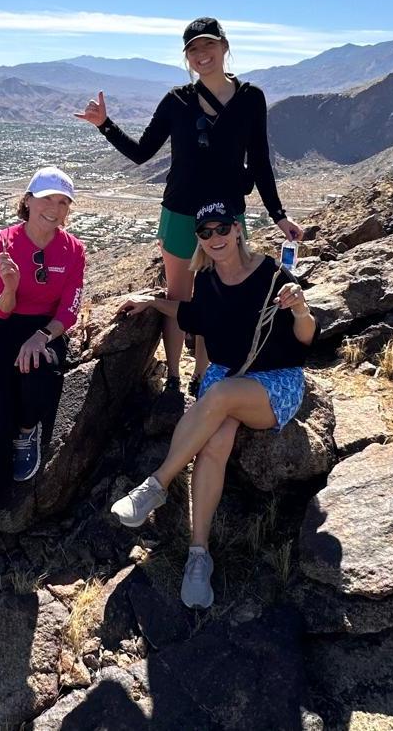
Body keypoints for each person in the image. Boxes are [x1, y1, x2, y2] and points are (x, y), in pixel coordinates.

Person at [75, 17, 303, 396]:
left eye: (208, 46)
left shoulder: (250, 98)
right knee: (180, 296)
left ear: (224, 47)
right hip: (181, 212)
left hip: (226, 216)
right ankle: (173, 380)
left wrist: (278, 215)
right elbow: (141, 153)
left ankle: (203, 376)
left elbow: (260, 160)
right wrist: (105, 125)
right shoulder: (176, 101)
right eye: (193, 49)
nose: (202, 55)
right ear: (186, 57)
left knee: (218, 297)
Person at [109, 202, 317, 609]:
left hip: (275, 380)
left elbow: (306, 337)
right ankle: (198, 555)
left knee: (217, 394)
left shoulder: (270, 272)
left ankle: (157, 485)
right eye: (205, 232)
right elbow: (193, 316)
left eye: (222, 228)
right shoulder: (205, 278)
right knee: (215, 440)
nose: (215, 237)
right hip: (229, 374)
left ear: (238, 229)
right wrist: (152, 302)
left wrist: (301, 308)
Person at [0, 167, 86, 573]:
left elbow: (70, 309)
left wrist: (43, 337)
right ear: (28, 200)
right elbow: (1, 308)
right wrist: (11, 287)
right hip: (2, 329)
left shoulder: (74, 250)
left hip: (45, 331)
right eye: (47, 198)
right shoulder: (4, 243)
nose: (55, 207)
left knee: (40, 385)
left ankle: (27, 432)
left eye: (63, 201)